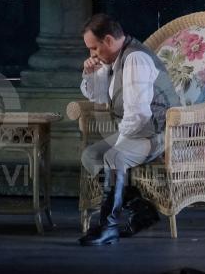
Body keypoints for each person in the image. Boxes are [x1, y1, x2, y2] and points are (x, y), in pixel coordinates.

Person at [77, 13, 179, 246]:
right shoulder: (112, 60)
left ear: (108, 40)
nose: (92, 54)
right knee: (90, 155)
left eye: (94, 48)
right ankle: (141, 209)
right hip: (137, 130)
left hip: (158, 132)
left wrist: (119, 147)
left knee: (114, 157)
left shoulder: (135, 59)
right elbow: (99, 97)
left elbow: (139, 114)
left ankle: (109, 227)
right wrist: (92, 73)